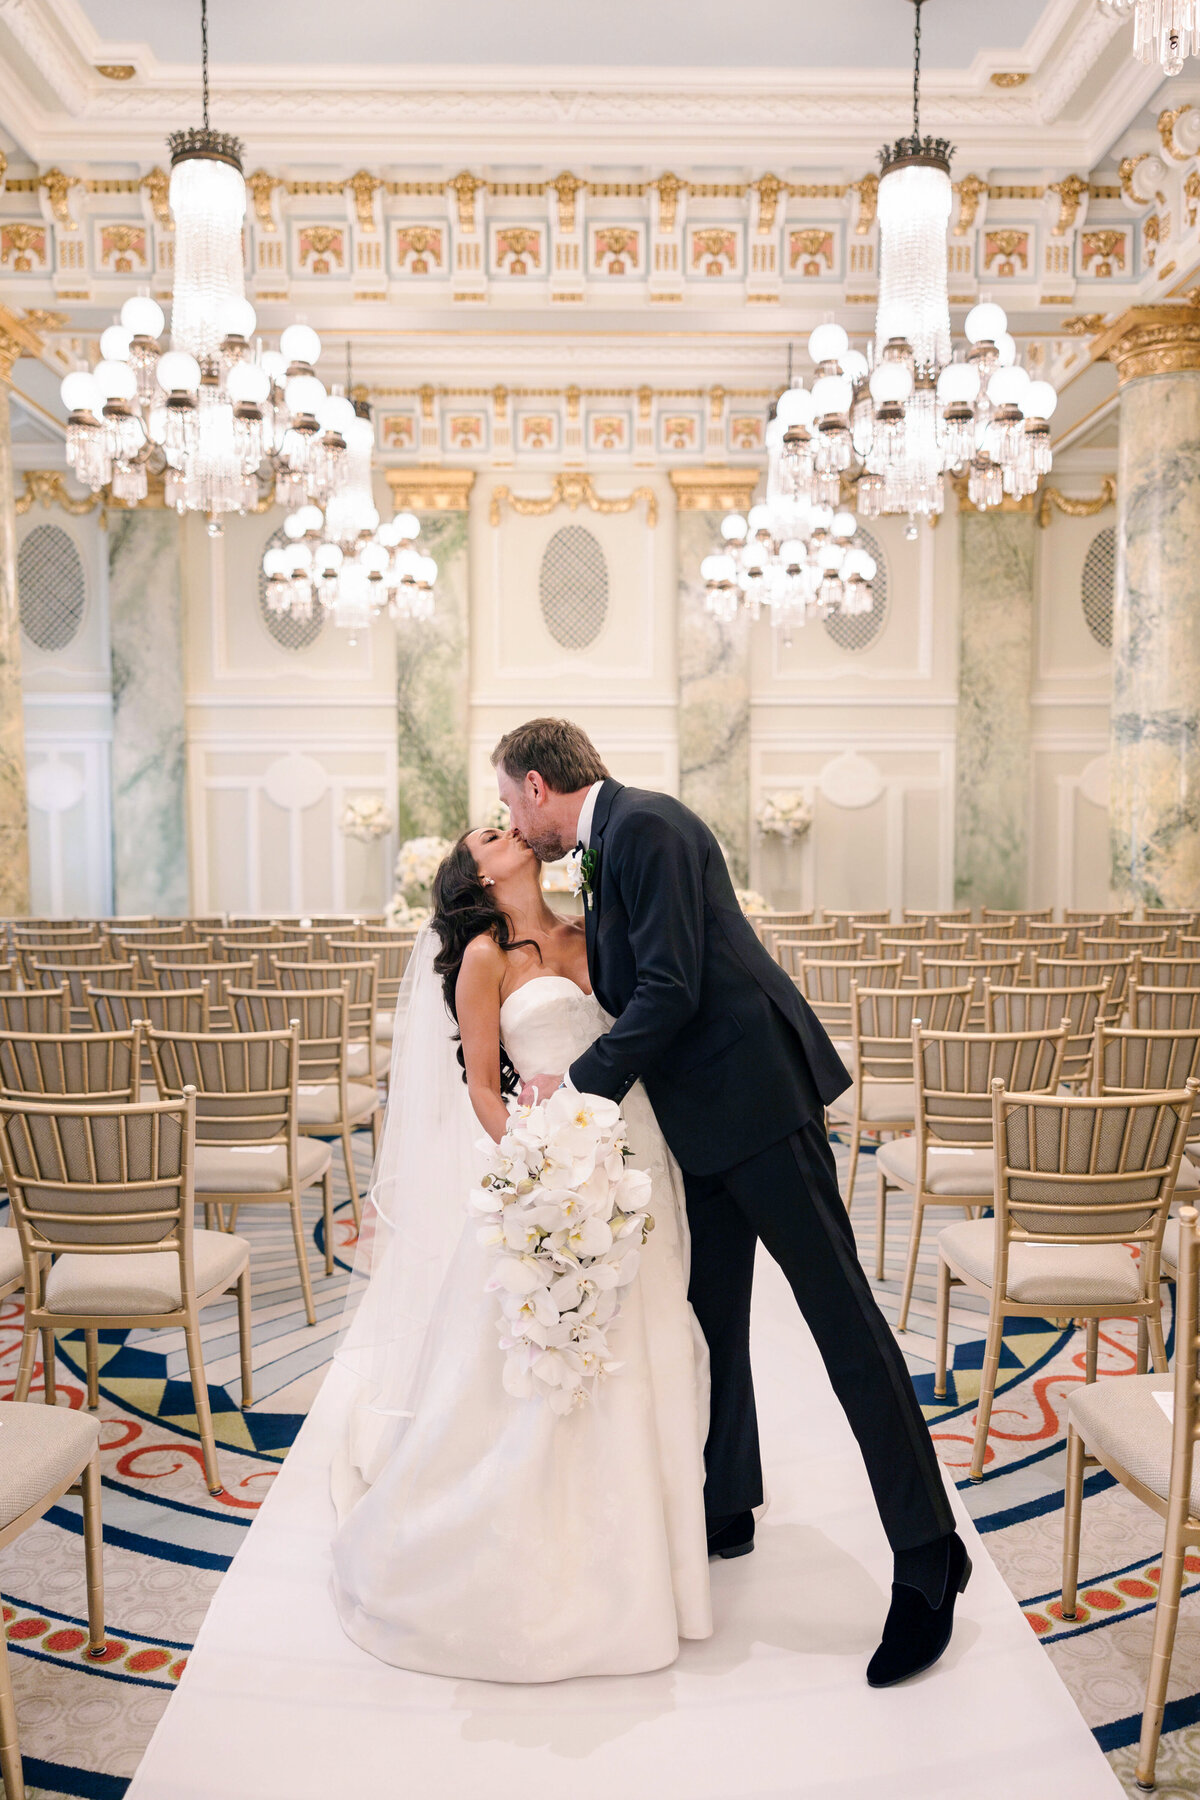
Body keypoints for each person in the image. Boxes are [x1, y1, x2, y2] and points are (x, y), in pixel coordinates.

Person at [494, 716, 968, 1688]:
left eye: (508, 800)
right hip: (701, 1125)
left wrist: (576, 1087)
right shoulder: (615, 840)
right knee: (712, 1323)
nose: (508, 817)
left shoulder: (650, 826)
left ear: (539, 786)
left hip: (757, 1107)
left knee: (845, 1327)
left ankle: (929, 1561)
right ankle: (727, 1502)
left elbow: (668, 989)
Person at [329, 819, 712, 1680]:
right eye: (492, 833)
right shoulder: (485, 958)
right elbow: (480, 1083)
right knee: (548, 1349)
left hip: (638, 1154)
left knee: (646, 1334)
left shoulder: (591, 928)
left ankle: (660, 1551)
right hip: (549, 1171)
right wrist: (537, 1170)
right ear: (477, 870)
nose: (511, 831)